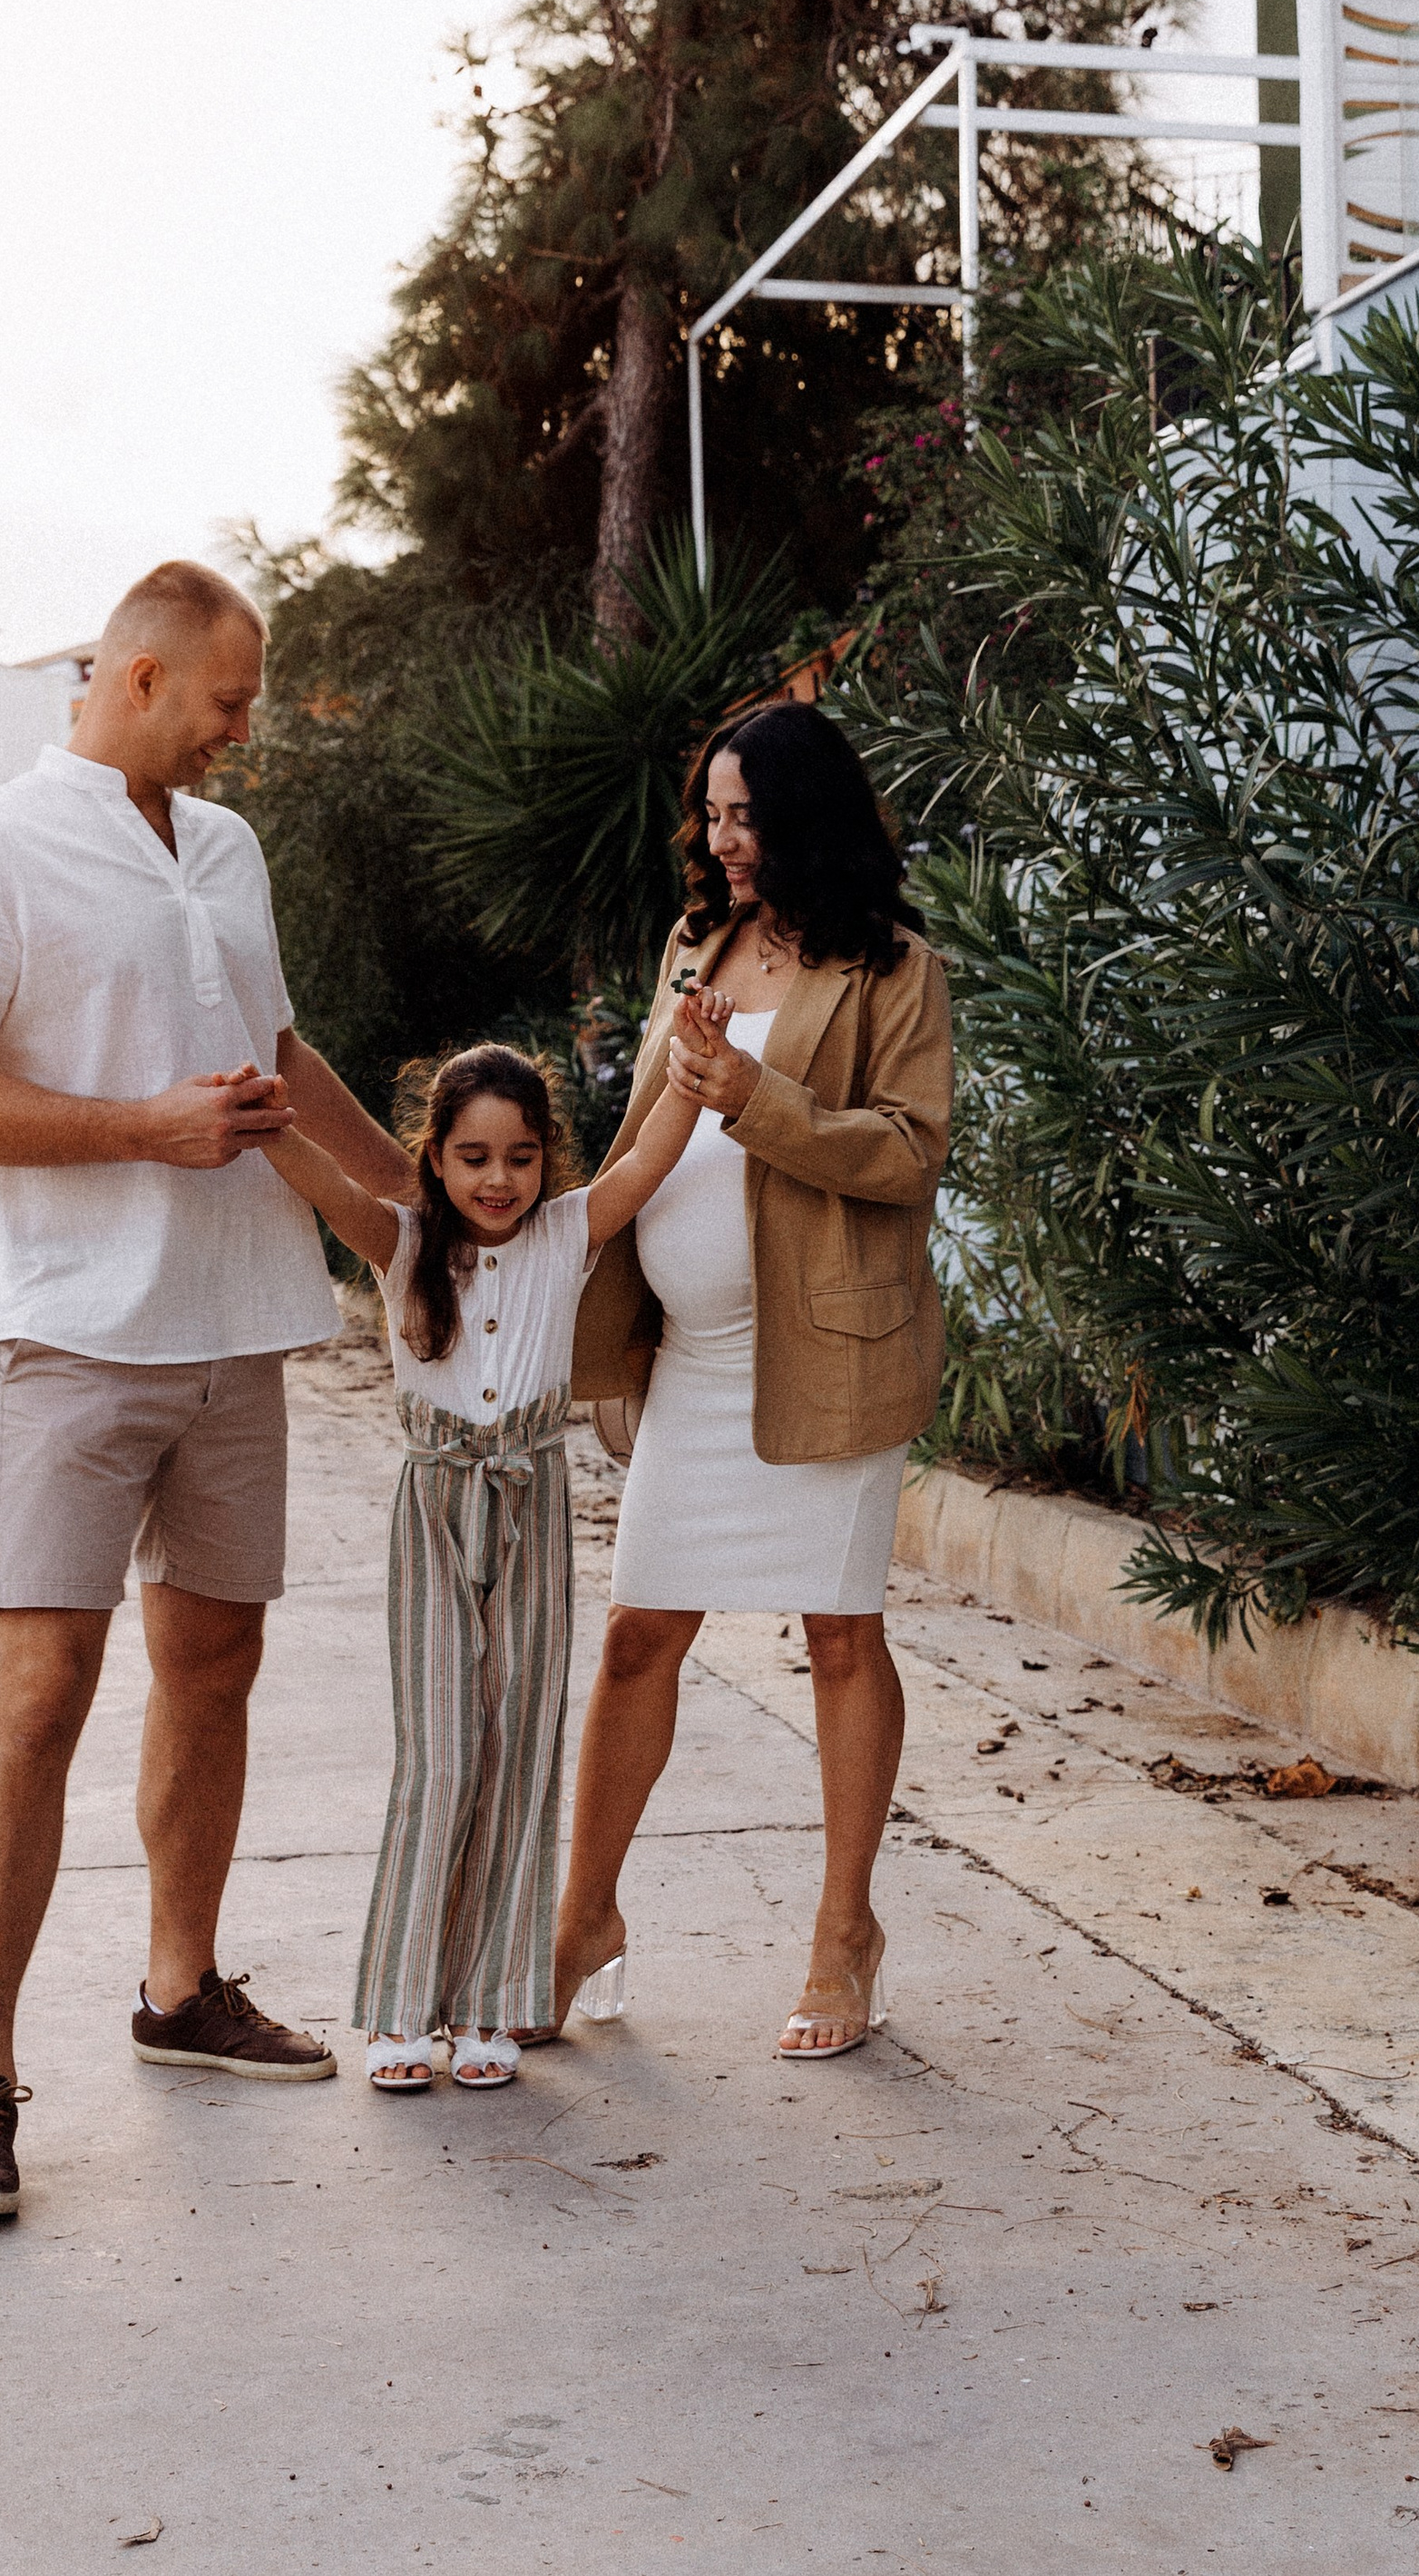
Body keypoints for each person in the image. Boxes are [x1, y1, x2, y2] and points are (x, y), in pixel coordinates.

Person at [0, 559, 416, 2217]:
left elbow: (282, 1052)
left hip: (236, 1322)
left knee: (217, 1663)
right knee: (38, 1688)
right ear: (135, 676)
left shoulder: (228, 847)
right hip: (67, 1335)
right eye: (229, 702)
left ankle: (182, 1989)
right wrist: (139, 1129)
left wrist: (416, 1218)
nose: (245, 733)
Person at [557, 700, 951, 2061]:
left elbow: (907, 1155)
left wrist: (751, 1097)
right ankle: (583, 1917)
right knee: (634, 1637)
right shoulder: (695, 942)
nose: (722, 840)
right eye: (713, 814)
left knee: (838, 1635)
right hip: (697, 1356)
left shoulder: (896, 969)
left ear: (805, 818)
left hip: (828, 1352)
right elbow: (647, 1125)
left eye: (744, 815)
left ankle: (846, 1933)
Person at [259, 1039, 702, 2088]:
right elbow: (321, 1178)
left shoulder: (567, 1232)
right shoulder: (401, 1239)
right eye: (472, 1158)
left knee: (517, 1753)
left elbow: (647, 1164)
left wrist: (698, 1069)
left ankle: (496, 2005)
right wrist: (265, 1113)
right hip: (435, 1505)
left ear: (546, 1159)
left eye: (519, 1156)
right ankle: (404, 2009)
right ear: (436, 1159)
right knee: (443, 1754)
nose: (497, 1180)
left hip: (532, 1502)